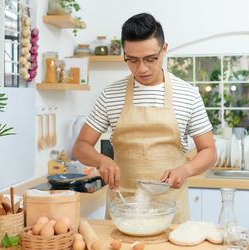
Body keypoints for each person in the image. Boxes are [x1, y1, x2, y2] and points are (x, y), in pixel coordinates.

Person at [72, 13, 216, 222]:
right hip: (123, 210)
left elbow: (209, 151)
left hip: (171, 212)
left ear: (164, 49)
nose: (142, 68)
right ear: (124, 53)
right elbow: (81, 146)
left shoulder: (188, 94)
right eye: (132, 60)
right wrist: (101, 160)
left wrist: (186, 169)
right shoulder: (111, 94)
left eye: (150, 59)